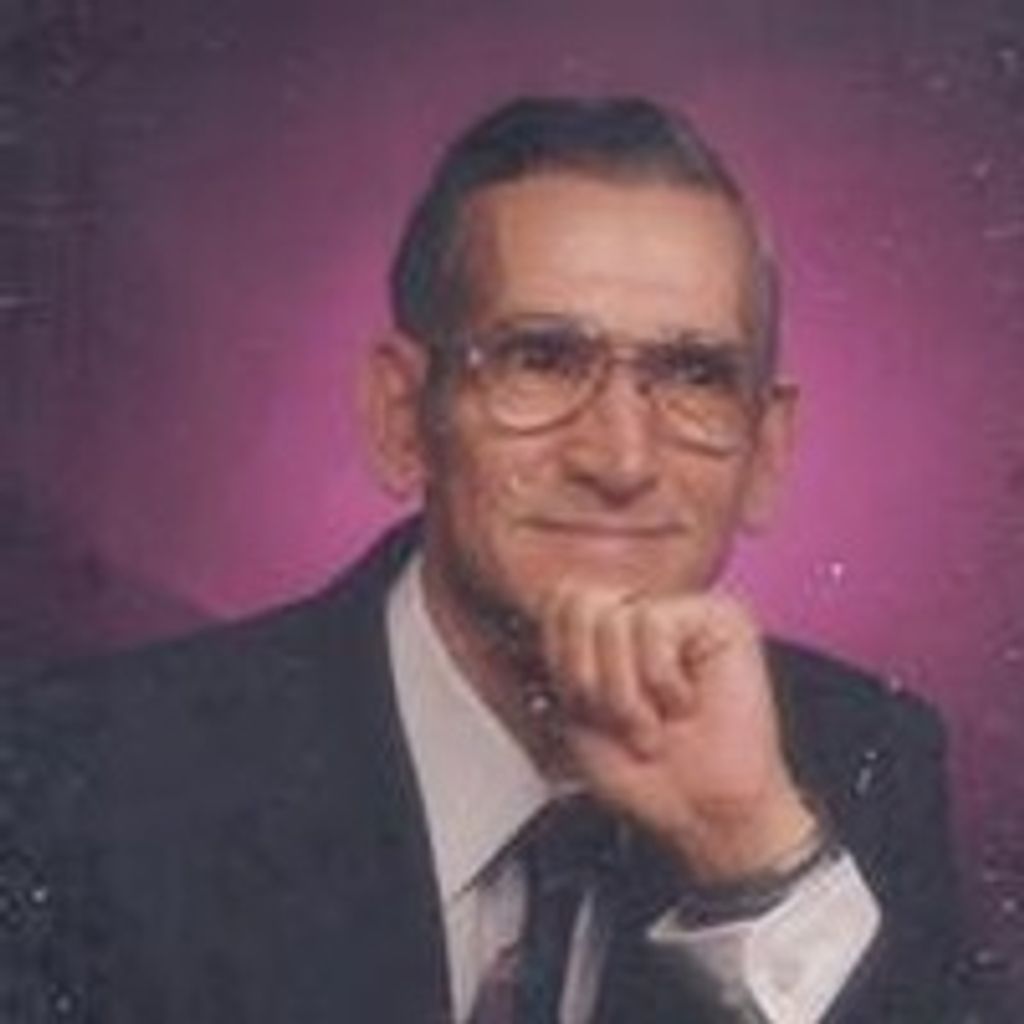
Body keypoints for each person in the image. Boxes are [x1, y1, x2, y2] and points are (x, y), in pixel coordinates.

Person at [0, 96, 981, 1023]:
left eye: (693, 375)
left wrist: (751, 867)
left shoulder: (861, 766)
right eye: (540, 360)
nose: (620, 460)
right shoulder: (89, 773)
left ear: (765, 451)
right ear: (402, 418)